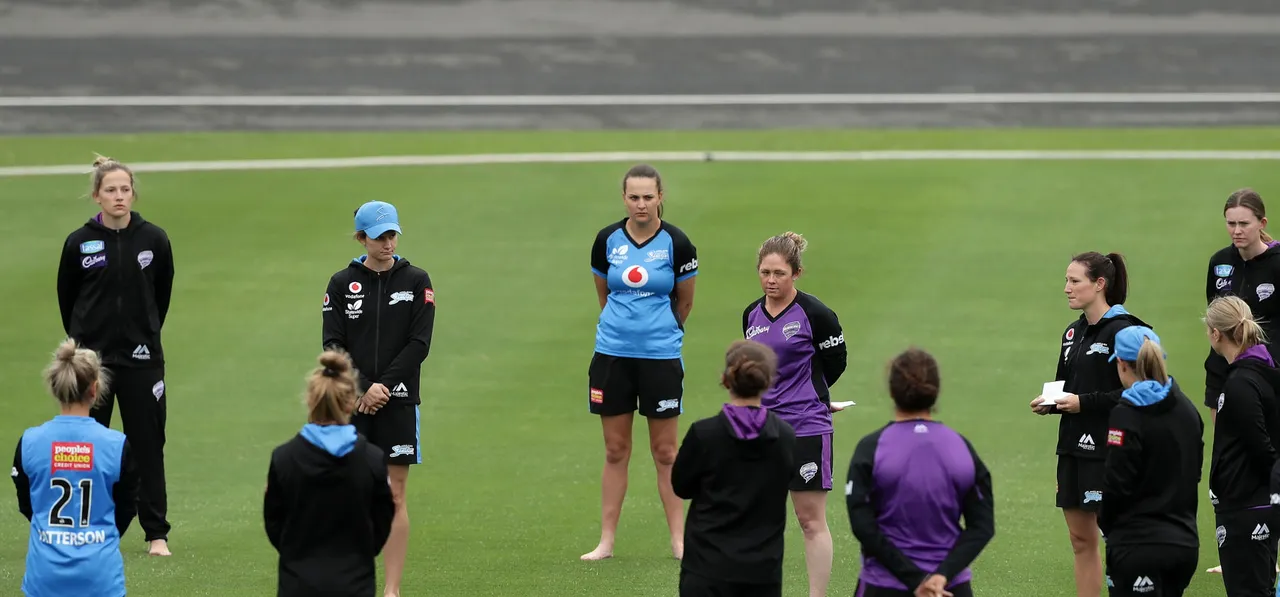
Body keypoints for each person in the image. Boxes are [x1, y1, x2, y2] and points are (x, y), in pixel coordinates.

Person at [55, 154, 175, 557]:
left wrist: (144, 334)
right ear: (97, 196)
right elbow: (67, 299)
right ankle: (90, 530)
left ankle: (156, 534)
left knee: (147, 445)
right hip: (92, 363)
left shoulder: (154, 239)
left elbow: (162, 296)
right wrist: (86, 342)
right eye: (111, 190)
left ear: (132, 193)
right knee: (88, 445)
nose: (119, 197)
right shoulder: (78, 242)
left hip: (143, 361)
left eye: (125, 189)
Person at [583, 163, 698, 561]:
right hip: (612, 355)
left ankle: (680, 540)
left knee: (665, 452)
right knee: (616, 450)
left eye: (648, 196)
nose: (641, 204)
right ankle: (607, 542)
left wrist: (659, 331)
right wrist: (623, 329)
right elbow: (604, 294)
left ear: (661, 197)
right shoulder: (606, 240)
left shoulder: (677, 243)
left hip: (660, 358)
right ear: (624, 198)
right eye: (634, 197)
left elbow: (685, 302)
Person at [321, 200, 435, 597]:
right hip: (352, 403)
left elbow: (419, 344)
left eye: (392, 235)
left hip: (398, 401)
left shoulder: (417, 279)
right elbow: (332, 343)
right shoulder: (340, 283)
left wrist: (381, 387)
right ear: (361, 238)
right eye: (380, 236)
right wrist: (362, 387)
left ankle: (391, 589)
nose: (388, 243)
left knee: (395, 494)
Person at [1030, 251, 1150, 597]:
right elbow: (1065, 385)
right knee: (1080, 540)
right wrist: (1050, 403)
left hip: (1112, 447)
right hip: (1073, 447)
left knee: (1118, 537)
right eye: (1066, 280)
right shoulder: (1072, 333)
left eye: (1074, 281)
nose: (1067, 288)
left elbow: (1142, 391)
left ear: (1099, 285)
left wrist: (1084, 403)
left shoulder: (1127, 332)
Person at [740, 231, 847, 596]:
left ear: (796, 273)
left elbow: (835, 362)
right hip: (762, 427)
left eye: (779, 274)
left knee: (809, 519)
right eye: (765, 273)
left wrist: (812, 394)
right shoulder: (750, 315)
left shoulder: (815, 313)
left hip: (806, 426)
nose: (771, 281)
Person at [846, 347, 995, 597]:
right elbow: (982, 527)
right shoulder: (961, 447)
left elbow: (863, 524)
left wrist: (915, 580)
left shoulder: (871, 448)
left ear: (892, 391)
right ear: (935, 392)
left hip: (885, 586)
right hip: (949, 588)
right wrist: (941, 575)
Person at [11, 339, 140, 597]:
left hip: (44, 578)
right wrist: (99, 534)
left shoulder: (30, 442)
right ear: (94, 390)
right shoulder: (116, 445)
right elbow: (127, 507)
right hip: (100, 577)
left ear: (56, 388)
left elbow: (28, 504)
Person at [264, 349, 396, 597]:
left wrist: (295, 552)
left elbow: (274, 521)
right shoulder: (372, 459)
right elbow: (382, 520)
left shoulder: (283, 458)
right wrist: (360, 554)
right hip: (354, 584)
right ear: (350, 403)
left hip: (297, 583)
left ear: (311, 400)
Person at [671, 339, 796, 597]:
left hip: (707, 568)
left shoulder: (704, 434)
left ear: (726, 380)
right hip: (762, 571)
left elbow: (681, 486)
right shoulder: (785, 435)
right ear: (768, 381)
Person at [1098, 326, 1203, 597]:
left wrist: (1106, 522)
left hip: (1137, 545)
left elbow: (1116, 483)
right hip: (1184, 545)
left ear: (1121, 364)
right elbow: (1194, 473)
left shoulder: (1126, 415)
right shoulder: (1188, 411)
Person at [1205, 295, 1280, 596]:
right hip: (1254, 503)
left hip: (1247, 506)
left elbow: (1259, 446)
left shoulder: (1242, 383)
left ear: (1215, 333)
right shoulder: (1262, 371)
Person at [1205, 188, 1280, 425]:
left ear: (1262, 223)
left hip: (1269, 373)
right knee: (1225, 449)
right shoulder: (1219, 262)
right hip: (1223, 371)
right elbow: (1214, 313)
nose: (1236, 231)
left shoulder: (1277, 264)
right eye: (1231, 223)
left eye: (1244, 223)